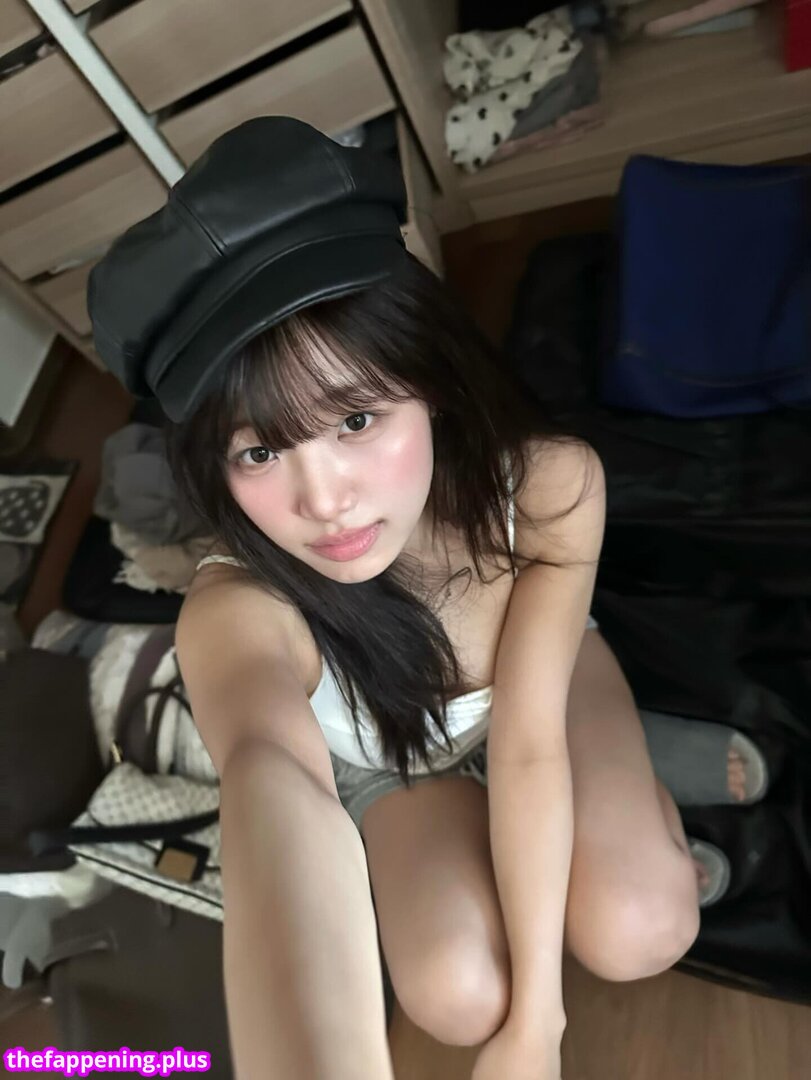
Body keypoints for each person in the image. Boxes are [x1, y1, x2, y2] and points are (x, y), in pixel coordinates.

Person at [87, 116, 769, 1080]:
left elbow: (529, 744)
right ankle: (607, 808)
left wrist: (541, 1024)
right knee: (456, 996)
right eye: (261, 450)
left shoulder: (545, 487)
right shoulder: (237, 610)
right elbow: (271, 788)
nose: (324, 502)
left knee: (639, 927)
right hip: (398, 766)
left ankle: (634, 767)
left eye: (356, 419)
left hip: (542, 695)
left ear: (431, 382)